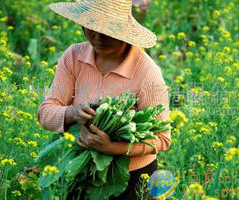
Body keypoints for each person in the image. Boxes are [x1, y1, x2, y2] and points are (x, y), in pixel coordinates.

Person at [37, 0, 171, 199]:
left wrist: (112, 148)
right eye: (92, 27)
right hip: (79, 169)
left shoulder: (147, 72)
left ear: (123, 30)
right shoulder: (73, 56)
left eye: (108, 30)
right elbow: (45, 113)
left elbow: (162, 139)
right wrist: (72, 114)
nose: (98, 37)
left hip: (133, 178)